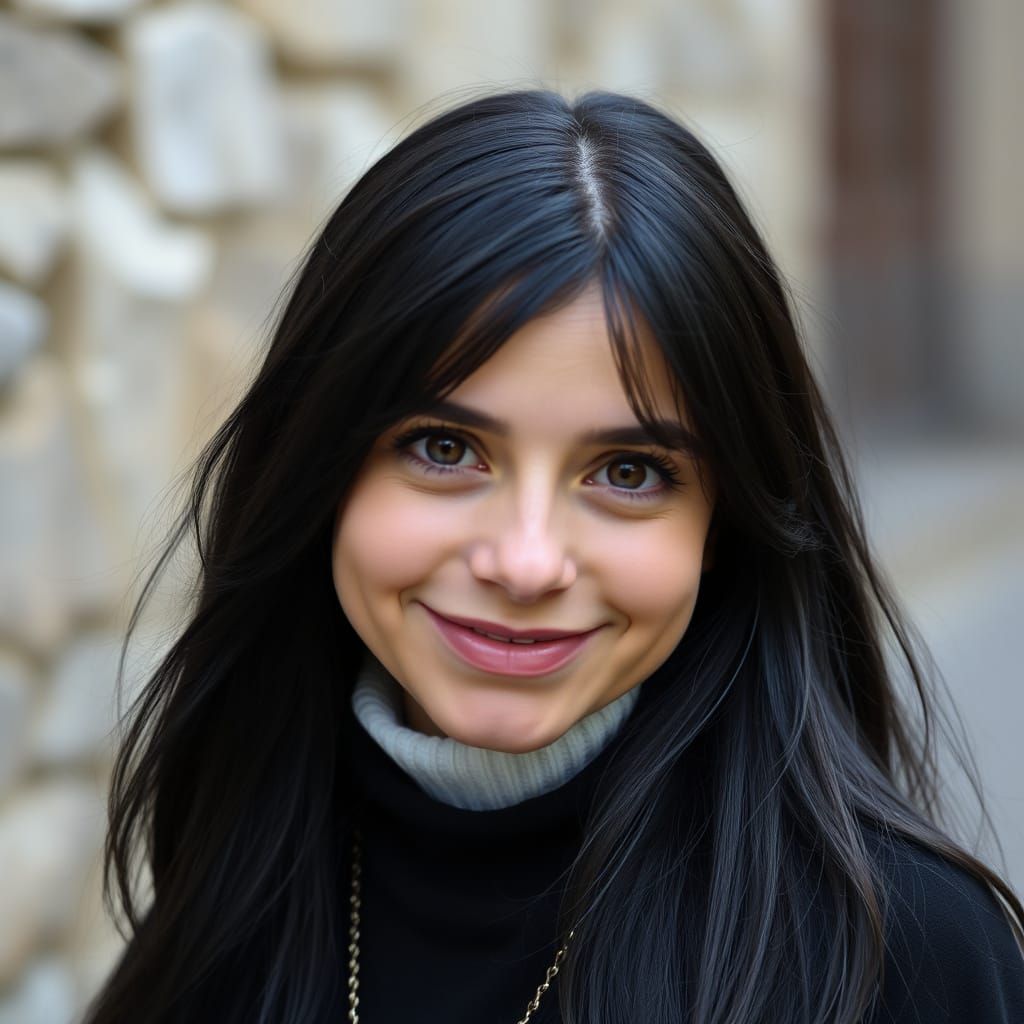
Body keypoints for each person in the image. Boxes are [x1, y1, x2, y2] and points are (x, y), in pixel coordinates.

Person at [82, 89, 1024, 1023]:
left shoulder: (904, 961)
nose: (527, 564)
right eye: (445, 449)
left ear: (726, 523)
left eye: (628, 471)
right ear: (318, 471)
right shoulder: (230, 894)